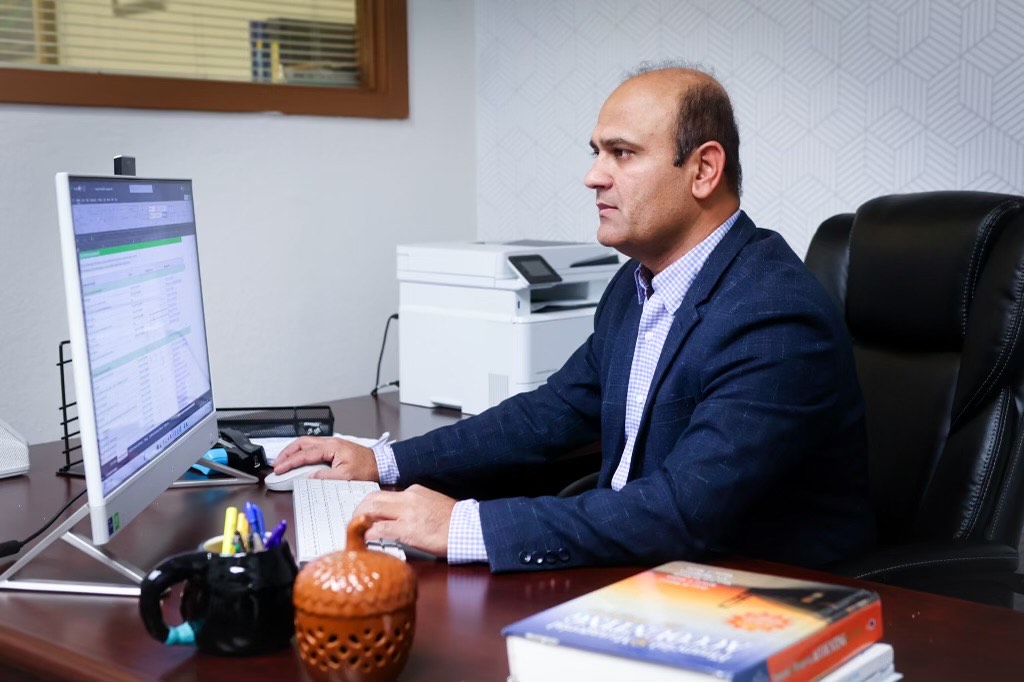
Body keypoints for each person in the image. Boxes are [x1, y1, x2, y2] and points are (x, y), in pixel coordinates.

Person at [274, 63, 875, 572]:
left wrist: (460, 525)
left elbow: (680, 513)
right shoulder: (638, 284)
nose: (594, 176)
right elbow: (551, 414)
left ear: (703, 170)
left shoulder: (773, 316)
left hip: (753, 593)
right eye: (596, 153)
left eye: (622, 153)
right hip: (648, 567)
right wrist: (382, 462)